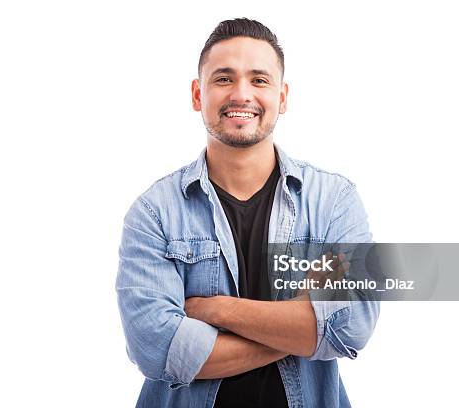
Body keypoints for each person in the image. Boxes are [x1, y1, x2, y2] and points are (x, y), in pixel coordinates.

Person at [116, 18, 380, 408]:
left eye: (259, 80)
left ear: (282, 97)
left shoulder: (333, 201)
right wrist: (303, 329)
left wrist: (214, 309)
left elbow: (352, 327)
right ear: (197, 94)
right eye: (224, 79)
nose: (242, 94)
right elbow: (156, 349)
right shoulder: (154, 212)